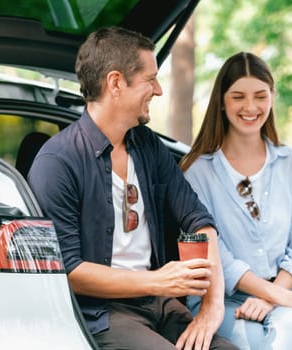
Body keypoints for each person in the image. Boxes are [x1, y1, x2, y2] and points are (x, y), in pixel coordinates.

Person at [28, 27, 238, 350]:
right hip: (101, 314)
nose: (158, 90)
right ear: (115, 83)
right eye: (149, 79)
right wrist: (159, 280)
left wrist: (212, 307)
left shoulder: (148, 146)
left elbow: (200, 221)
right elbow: (69, 271)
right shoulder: (58, 162)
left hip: (160, 305)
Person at [179, 52, 292, 350]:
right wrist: (273, 295)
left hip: (285, 295)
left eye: (260, 96)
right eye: (238, 96)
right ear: (221, 101)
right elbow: (215, 255)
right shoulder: (197, 172)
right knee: (250, 341)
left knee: (290, 331)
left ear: (272, 97)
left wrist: (273, 296)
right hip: (220, 300)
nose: (250, 107)